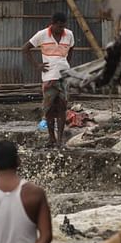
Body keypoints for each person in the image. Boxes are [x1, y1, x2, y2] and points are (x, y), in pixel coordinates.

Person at [22, 12, 74, 146]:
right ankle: (52, 138)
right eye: (59, 26)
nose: (61, 29)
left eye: (63, 27)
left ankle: (60, 140)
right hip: (49, 77)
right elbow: (25, 48)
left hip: (63, 78)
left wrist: (65, 65)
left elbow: (71, 49)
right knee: (49, 110)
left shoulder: (69, 34)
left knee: (62, 108)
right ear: (53, 23)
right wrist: (37, 65)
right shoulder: (42, 34)